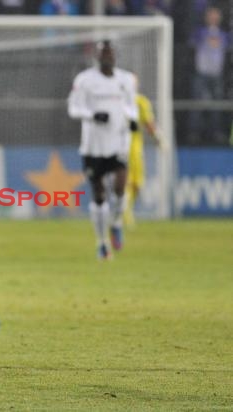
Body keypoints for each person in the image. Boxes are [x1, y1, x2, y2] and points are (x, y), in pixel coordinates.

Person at [68, 40, 138, 260]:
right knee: (99, 195)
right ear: (97, 57)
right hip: (93, 146)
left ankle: (116, 222)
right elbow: (73, 107)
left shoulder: (126, 80)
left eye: (110, 53)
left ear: (115, 56)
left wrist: (133, 119)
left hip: (118, 142)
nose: (107, 57)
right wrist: (92, 115)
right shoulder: (85, 80)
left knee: (120, 186)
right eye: (103, 54)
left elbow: (131, 106)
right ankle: (102, 242)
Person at [124, 77, 164, 228]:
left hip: (135, 148)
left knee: (137, 183)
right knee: (125, 182)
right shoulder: (119, 102)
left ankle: (126, 209)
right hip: (121, 147)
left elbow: (149, 124)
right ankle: (125, 213)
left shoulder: (141, 102)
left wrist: (158, 138)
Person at [188, 6, 230, 144]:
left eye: (215, 15)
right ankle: (194, 133)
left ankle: (216, 133)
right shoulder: (200, 32)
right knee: (198, 104)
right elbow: (192, 43)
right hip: (201, 73)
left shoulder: (224, 35)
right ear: (206, 17)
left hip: (216, 74)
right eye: (211, 15)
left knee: (216, 105)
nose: (213, 18)